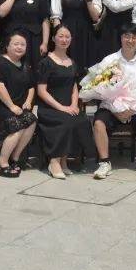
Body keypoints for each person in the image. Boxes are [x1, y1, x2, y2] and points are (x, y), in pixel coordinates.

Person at [88, 23, 136, 180]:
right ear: (121, 38)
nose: (130, 40)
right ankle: (104, 163)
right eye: (127, 36)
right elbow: (102, 88)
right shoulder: (109, 60)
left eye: (134, 37)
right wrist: (116, 110)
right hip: (111, 107)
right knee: (98, 123)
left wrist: (132, 109)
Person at [37, 24, 96, 179]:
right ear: (53, 38)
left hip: (68, 106)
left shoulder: (72, 62)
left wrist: (74, 105)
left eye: (67, 37)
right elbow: (41, 91)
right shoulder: (46, 62)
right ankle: (54, 161)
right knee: (65, 121)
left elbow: (74, 86)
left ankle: (64, 160)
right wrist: (62, 108)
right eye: (61, 36)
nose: (64, 40)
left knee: (82, 120)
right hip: (49, 108)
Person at [0, 32, 37, 177]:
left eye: (22, 44)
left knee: (32, 120)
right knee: (18, 123)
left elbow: (31, 86)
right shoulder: (0, 62)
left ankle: (14, 158)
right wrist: (11, 106)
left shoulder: (25, 64)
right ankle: (1, 164)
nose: (19, 47)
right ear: (7, 46)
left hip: (17, 107)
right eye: (16, 44)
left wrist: (28, 101)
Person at [51, 0, 104, 68]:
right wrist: (60, 38)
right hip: (66, 35)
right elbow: (56, 19)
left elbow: (95, 18)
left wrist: (88, 0)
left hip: (87, 35)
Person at [0, 0, 50, 71]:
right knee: (10, 70)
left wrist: (45, 43)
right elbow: (1, 13)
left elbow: (45, 20)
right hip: (12, 38)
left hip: (33, 40)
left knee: (33, 71)